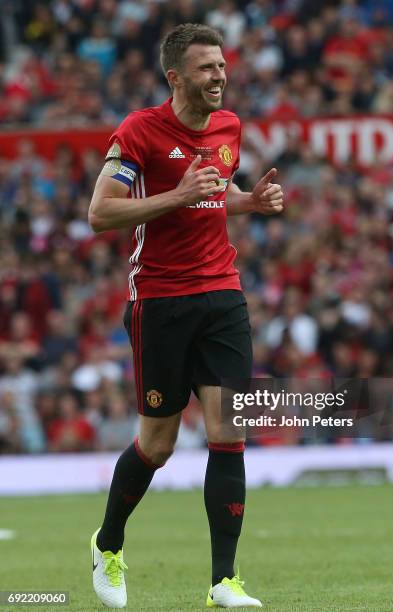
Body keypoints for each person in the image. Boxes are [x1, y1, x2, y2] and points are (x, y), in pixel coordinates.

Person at [87, 23, 284, 609]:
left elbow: (213, 192)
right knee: (158, 443)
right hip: (161, 302)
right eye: (206, 68)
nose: (219, 76)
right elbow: (101, 214)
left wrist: (246, 201)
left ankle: (224, 580)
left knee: (229, 430)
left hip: (223, 295)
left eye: (222, 66)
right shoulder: (140, 131)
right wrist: (176, 195)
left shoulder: (230, 127)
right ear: (175, 77)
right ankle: (108, 543)